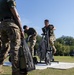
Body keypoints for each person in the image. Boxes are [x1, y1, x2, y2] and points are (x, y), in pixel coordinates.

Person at [0, 0, 27, 75]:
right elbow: (16, 15)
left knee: (4, 48)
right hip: (11, 25)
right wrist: (21, 29)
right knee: (15, 49)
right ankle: (16, 72)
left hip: (2, 26)